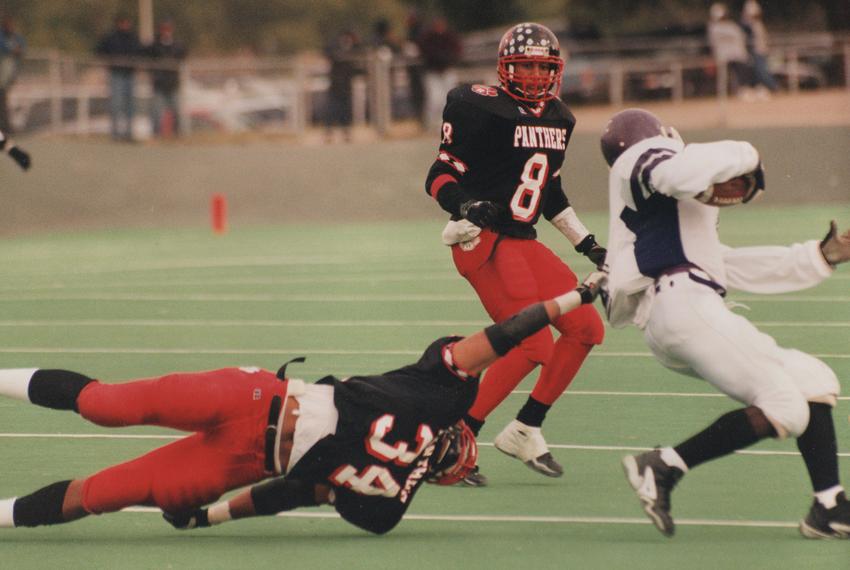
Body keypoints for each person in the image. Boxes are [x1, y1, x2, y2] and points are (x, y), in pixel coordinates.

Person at [0, 273, 606, 534]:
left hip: (246, 461)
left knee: (105, 493)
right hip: (256, 398)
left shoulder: (388, 502)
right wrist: (574, 297)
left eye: (455, 458)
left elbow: (294, 493)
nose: (452, 452)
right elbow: (502, 335)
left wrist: (211, 517)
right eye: (458, 447)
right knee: (105, 404)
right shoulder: (440, 401)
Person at [599, 108, 850, 539]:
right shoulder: (644, 158)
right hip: (682, 305)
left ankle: (829, 506)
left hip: (686, 306)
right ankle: (664, 466)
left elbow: (722, 265)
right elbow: (676, 173)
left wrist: (819, 256)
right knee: (785, 406)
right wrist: (746, 152)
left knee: (814, 380)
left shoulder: (667, 218)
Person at [424, 22, 607, 486]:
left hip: (522, 239)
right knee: (532, 344)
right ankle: (455, 440)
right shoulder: (478, 106)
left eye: (542, 67)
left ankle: (526, 427)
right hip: (483, 239)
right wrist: (466, 204)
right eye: (525, 65)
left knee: (586, 328)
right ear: (505, 68)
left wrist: (587, 244)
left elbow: (550, 193)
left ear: (556, 70)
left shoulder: (559, 118)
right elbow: (440, 174)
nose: (534, 75)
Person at [95, 14, 142, 141]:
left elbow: (140, 52)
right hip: (116, 74)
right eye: (123, 22)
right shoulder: (111, 38)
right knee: (116, 104)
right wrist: (107, 62)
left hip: (130, 74)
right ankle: (115, 134)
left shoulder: (133, 38)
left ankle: (129, 133)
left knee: (130, 105)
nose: (125, 25)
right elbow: (99, 50)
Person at [417, 16, 461, 132]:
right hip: (432, 72)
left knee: (451, 98)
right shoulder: (428, 37)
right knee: (435, 98)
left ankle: (449, 123)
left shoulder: (450, 36)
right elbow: (425, 53)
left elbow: (457, 51)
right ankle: (430, 124)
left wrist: (448, 60)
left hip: (447, 70)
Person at [145, 20, 187, 138]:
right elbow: (148, 54)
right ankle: (156, 134)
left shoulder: (177, 45)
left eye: (168, 29)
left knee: (176, 111)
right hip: (159, 84)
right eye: (164, 29)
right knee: (157, 111)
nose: (166, 32)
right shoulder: (155, 45)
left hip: (173, 83)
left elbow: (182, 55)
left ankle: (177, 134)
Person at [706, 3, 754, 100]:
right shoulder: (713, 28)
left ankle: (742, 90)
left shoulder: (730, 26)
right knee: (724, 76)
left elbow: (741, 38)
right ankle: (724, 93)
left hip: (736, 54)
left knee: (741, 72)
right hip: (724, 55)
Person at [324, 30, 359, 143]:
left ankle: (346, 132)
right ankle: (329, 132)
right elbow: (329, 53)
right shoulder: (335, 48)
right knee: (332, 109)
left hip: (346, 85)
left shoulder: (353, 49)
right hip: (336, 85)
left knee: (346, 111)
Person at [740, 0, 777, 98]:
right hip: (755, 51)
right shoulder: (749, 25)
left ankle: (773, 87)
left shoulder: (757, 24)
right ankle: (762, 88)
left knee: (762, 71)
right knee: (757, 71)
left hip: (760, 50)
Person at [0, 15, 25, 133]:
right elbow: (6, 47)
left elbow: (21, 47)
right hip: (3, 78)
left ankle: (6, 127)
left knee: (3, 102)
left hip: (5, 79)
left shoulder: (15, 38)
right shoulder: (2, 38)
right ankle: (6, 127)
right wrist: (12, 50)